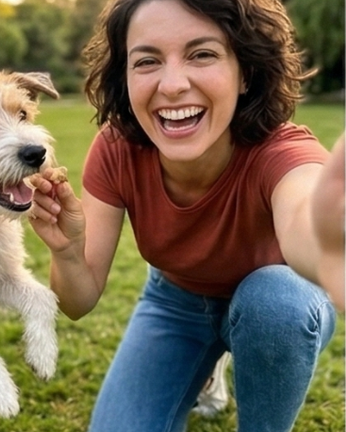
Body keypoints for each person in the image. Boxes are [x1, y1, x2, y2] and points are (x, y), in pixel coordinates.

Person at [27, 0, 344, 431]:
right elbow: (77, 304)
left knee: (276, 301)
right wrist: (66, 252)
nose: (173, 85)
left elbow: (308, 225)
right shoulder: (118, 148)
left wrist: (331, 245)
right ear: (125, 76)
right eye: (147, 61)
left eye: (202, 54)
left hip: (274, 308)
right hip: (175, 302)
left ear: (245, 72)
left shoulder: (283, 152)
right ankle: (206, 365)